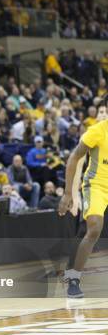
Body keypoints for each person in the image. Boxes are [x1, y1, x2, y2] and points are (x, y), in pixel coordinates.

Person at [59, 96, 108, 298]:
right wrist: (68, 193)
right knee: (94, 227)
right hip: (96, 185)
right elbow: (74, 157)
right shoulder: (97, 131)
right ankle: (74, 278)